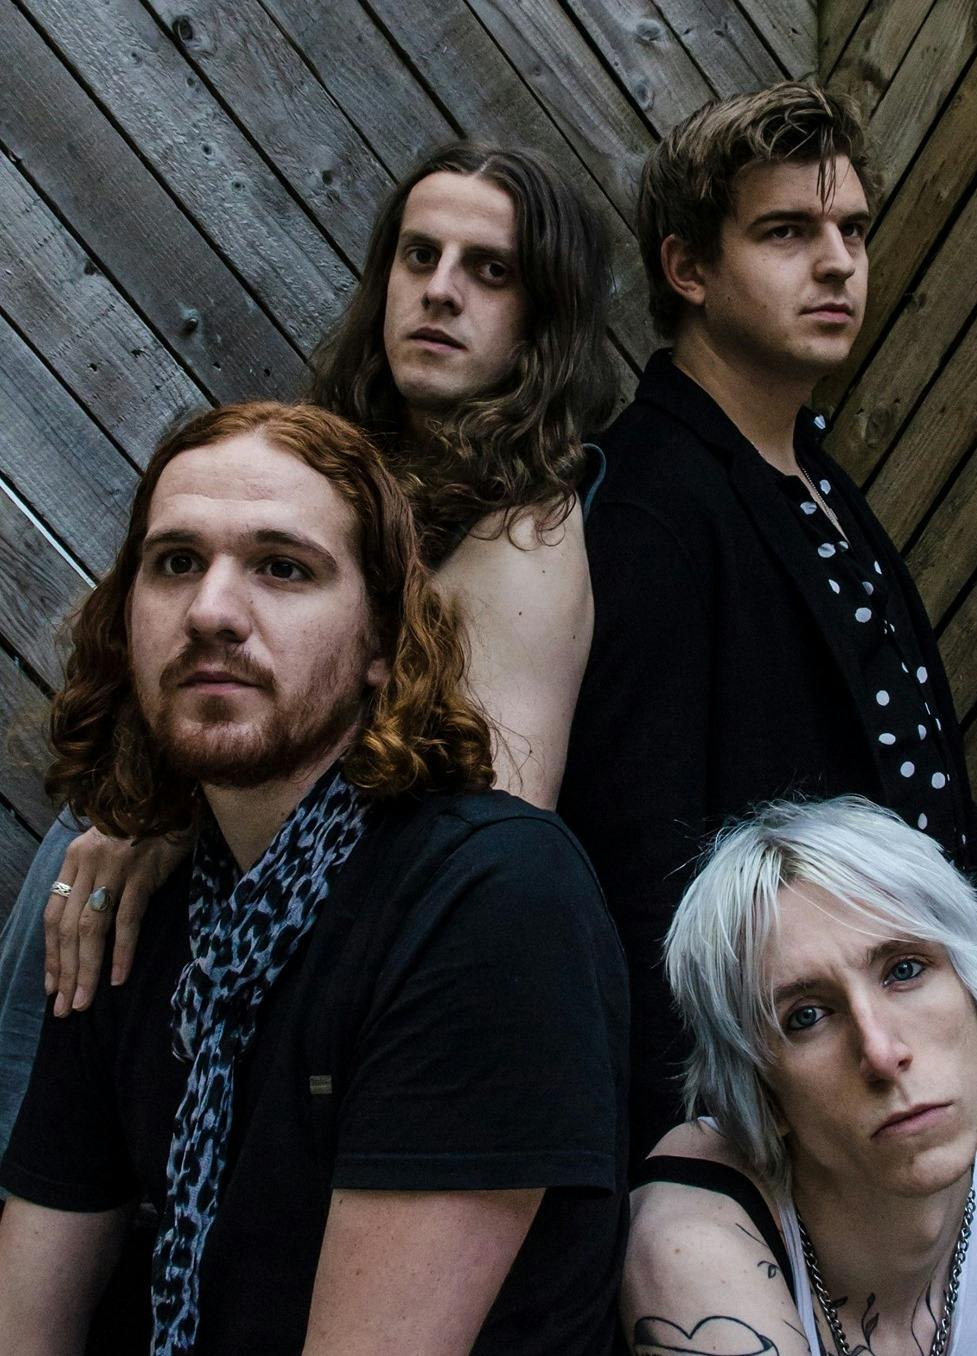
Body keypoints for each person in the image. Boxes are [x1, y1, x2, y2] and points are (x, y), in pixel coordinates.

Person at [0, 142, 615, 1164]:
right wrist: (144, 807)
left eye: (490, 270)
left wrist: (173, 824)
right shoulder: (327, 462)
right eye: (419, 256)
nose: (441, 290)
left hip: (317, 951)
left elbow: (493, 831)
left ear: (542, 318)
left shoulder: (526, 534)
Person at [0, 403, 628, 1354]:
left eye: (283, 568)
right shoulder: (147, 899)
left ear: (383, 642)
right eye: (176, 562)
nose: (211, 610)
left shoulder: (489, 898)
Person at [559, 81, 977, 1162]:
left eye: (853, 230)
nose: (839, 264)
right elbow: (641, 857)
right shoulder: (648, 504)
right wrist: (699, 1147)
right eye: (788, 232)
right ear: (687, 268)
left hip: (890, 1060)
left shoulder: (810, 473)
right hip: (768, 1102)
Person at [623, 797, 977, 1356]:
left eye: (905, 970)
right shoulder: (694, 1239)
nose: (882, 1053)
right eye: (807, 1016)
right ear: (762, 1089)